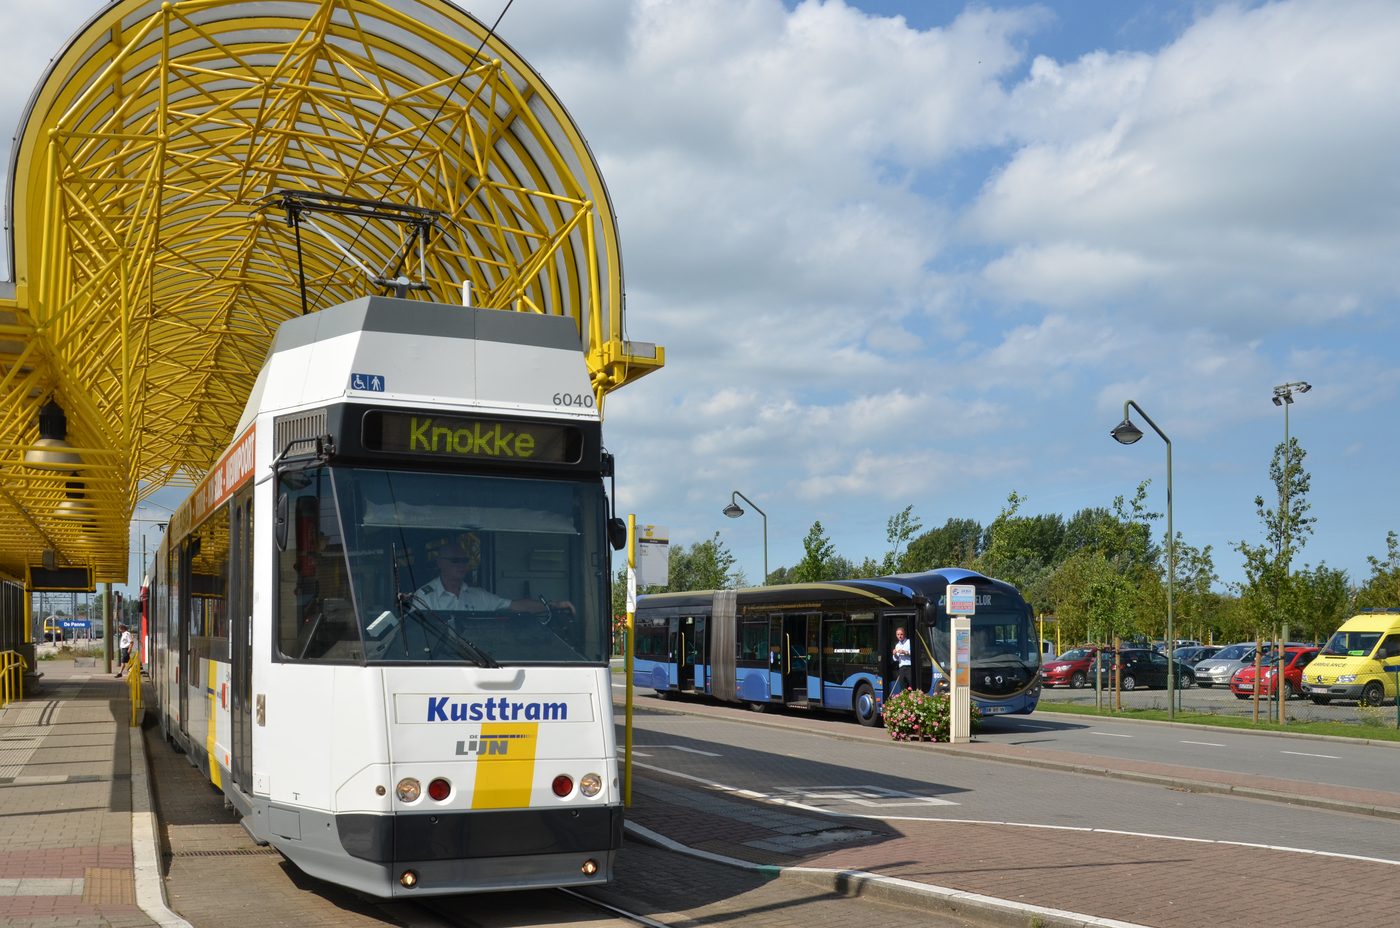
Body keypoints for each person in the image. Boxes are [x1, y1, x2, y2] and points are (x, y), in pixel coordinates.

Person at [413, 533, 569, 616]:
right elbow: (415, 636)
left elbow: (515, 606)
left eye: (464, 560)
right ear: (440, 563)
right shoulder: (424, 597)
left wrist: (554, 605)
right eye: (455, 561)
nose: (461, 565)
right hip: (439, 663)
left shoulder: (479, 596)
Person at [889, 626, 913, 697]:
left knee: (911, 685)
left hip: (909, 667)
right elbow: (895, 659)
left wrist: (905, 652)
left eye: (901, 634)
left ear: (904, 634)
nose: (900, 636)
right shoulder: (897, 645)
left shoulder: (909, 642)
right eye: (898, 634)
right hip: (901, 668)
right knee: (903, 686)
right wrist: (894, 654)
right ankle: (904, 700)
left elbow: (914, 652)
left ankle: (913, 699)